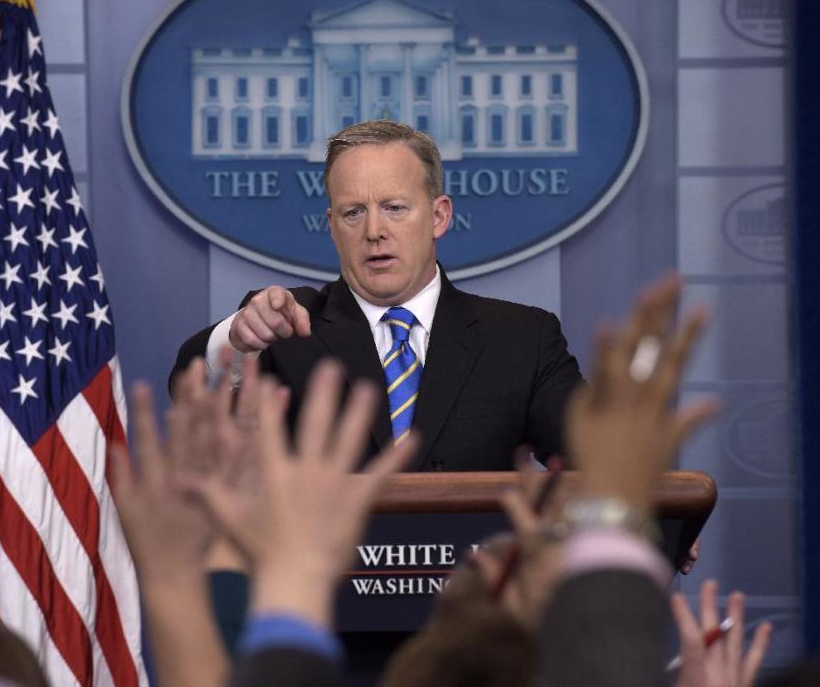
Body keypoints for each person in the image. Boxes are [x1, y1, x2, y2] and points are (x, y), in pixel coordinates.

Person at [170, 120, 583, 470]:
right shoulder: (287, 330)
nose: (374, 231)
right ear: (332, 226)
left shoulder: (522, 340)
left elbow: (593, 465)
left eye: (394, 208)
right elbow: (190, 397)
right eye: (353, 212)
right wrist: (238, 344)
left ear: (439, 216)